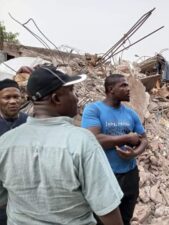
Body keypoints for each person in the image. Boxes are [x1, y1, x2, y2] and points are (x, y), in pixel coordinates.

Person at [0, 66, 124, 225]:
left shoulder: (6, 142)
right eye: (71, 91)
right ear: (56, 98)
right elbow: (106, 207)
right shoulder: (81, 141)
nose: (76, 98)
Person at [81, 74, 148, 225]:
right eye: (123, 85)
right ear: (111, 89)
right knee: (102, 219)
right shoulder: (94, 110)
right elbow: (94, 139)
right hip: (104, 175)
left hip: (130, 175)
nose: (128, 89)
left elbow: (144, 140)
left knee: (125, 217)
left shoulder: (131, 113)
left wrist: (134, 154)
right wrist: (127, 138)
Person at [0, 79, 28, 224]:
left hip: (23, 193)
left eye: (16, 97)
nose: (12, 101)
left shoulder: (28, 122)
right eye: (7, 97)